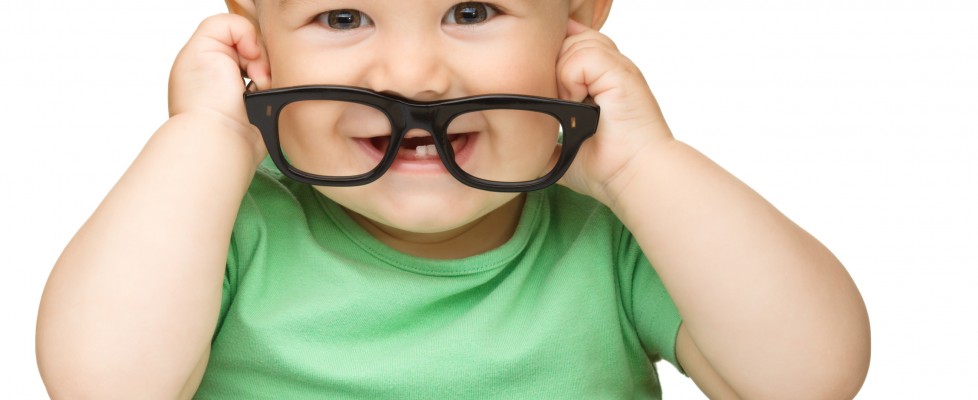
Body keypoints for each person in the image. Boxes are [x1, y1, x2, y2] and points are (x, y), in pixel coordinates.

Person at [36, 1, 871, 398]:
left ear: (577, 23)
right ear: (256, 38)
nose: (411, 77)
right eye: (341, 18)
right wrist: (203, 139)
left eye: (471, 12)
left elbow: (808, 378)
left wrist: (643, 166)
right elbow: (102, 385)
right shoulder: (219, 218)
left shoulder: (615, 231)